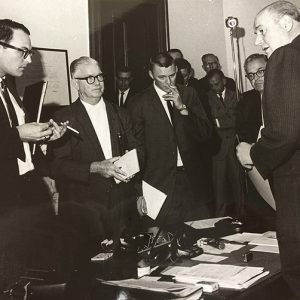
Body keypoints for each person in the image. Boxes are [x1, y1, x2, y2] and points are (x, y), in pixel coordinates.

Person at [49, 56, 141, 273]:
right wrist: (96, 167)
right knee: (87, 277)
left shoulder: (119, 112)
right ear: (75, 81)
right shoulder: (63, 117)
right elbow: (58, 166)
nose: (98, 82)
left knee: (124, 273)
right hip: (84, 210)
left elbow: (138, 149)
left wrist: (130, 166)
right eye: (89, 78)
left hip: (120, 208)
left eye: (99, 76)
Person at [236, 2, 300, 299]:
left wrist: (253, 154)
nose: (259, 41)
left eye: (262, 31)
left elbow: (287, 130)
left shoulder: (287, 54)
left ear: (287, 23)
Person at [0, 19, 66, 289]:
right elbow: (14, 135)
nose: (28, 60)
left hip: (22, 193)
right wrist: (18, 134)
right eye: (23, 51)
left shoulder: (8, 86)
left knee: (21, 274)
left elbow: (19, 142)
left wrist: (43, 138)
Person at [127, 52, 213, 234]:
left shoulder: (189, 94)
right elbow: (135, 150)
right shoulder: (138, 103)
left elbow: (206, 134)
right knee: (163, 245)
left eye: (172, 75)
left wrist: (182, 108)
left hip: (191, 182)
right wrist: (138, 192)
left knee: (199, 241)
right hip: (158, 185)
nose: (168, 82)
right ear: (151, 75)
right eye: (162, 77)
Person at [237, 53, 276, 230]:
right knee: (264, 215)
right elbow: (242, 133)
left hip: (280, 163)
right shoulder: (246, 100)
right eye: (251, 75)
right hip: (255, 167)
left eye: (261, 71)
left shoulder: (285, 93)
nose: (256, 78)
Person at [207, 69, 244, 217]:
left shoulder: (236, 96)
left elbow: (237, 121)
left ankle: (242, 214)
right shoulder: (207, 98)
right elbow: (212, 122)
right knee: (219, 185)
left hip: (235, 146)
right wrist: (227, 118)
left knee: (238, 183)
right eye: (211, 85)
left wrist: (220, 120)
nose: (214, 88)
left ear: (224, 81)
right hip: (218, 148)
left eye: (216, 84)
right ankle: (220, 216)